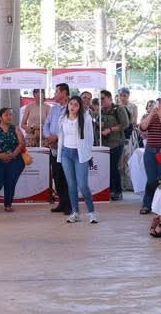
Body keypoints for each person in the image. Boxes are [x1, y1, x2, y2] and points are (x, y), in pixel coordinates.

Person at [57, 93, 99, 224]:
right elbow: (60, 137)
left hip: (80, 154)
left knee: (83, 185)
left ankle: (92, 213)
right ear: (68, 105)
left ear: (79, 107)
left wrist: (88, 153)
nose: (72, 107)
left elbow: (90, 138)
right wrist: (60, 153)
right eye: (71, 104)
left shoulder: (85, 118)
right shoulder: (62, 118)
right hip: (66, 153)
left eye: (76, 105)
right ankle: (75, 212)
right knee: (71, 185)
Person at [138, 96, 161, 215]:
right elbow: (143, 127)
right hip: (150, 151)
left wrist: (160, 116)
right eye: (159, 102)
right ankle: (147, 204)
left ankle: (160, 205)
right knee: (151, 180)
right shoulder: (151, 116)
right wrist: (151, 114)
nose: (160, 105)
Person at [0, 108, 27, 211]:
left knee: (10, 181)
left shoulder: (15, 128)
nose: (9, 117)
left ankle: (8, 204)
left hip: (15, 160)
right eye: (6, 115)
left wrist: (13, 154)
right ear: (0, 117)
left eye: (11, 115)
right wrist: (0, 155)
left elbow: (22, 143)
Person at [44, 83, 75, 215]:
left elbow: (72, 127)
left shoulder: (72, 107)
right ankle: (62, 203)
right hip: (54, 148)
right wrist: (49, 137)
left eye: (56, 91)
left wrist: (56, 137)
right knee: (57, 177)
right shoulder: (54, 109)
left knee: (67, 176)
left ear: (63, 93)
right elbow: (46, 124)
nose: (54, 94)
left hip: (66, 148)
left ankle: (70, 205)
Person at [100, 90, 128, 201]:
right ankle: (109, 190)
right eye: (100, 99)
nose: (101, 101)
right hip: (104, 144)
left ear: (110, 98)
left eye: (103, 98)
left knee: (113, 167)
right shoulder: (101, 111)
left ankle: (117, 191)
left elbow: (125, 124)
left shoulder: (118, 109)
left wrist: (110, 129)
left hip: (116, 143)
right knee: (106, 168)